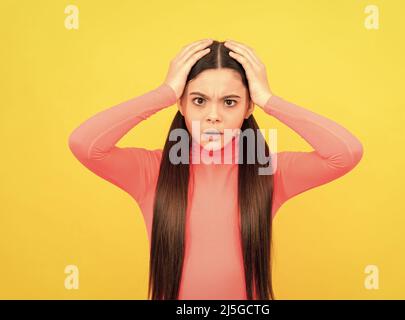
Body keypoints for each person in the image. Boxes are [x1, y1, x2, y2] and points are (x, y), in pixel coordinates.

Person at [68, 38, 364, 300]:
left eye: (230, 102)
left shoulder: (267, 172)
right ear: (181, 105)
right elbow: (84, 144)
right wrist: (164, 92)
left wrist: (269, 100)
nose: (213, 116)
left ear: (248, 108)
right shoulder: (151, 171)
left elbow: (345, 153)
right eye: (199, 101)